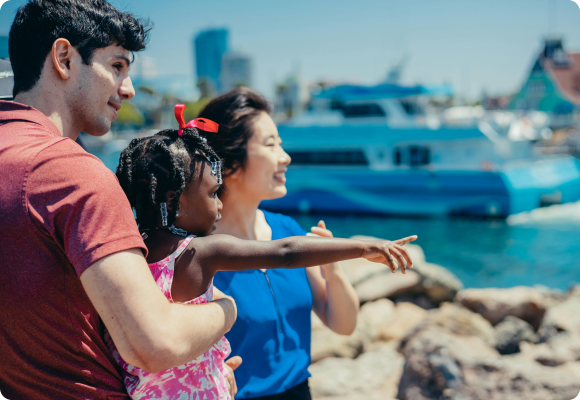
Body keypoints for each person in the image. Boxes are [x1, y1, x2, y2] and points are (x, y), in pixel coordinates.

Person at [0, 1, 237, 399]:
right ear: (63, 58)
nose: (126, 89)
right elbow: (154, 344)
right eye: (116, 66)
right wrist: (227, 310)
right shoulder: (72, 173)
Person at [108, 106, 416, 400]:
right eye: (214, 194)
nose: (219, 205)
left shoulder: (128, 254)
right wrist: (363, 247)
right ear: (176, 199)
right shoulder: (203, 252)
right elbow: (286, 252)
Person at [197, 88, 372, 399]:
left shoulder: (289, 230)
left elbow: (343, 325)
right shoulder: (199, 251)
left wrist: (332, 268)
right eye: (270, 144)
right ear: (230, 160)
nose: (285, 156)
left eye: (280, 143)